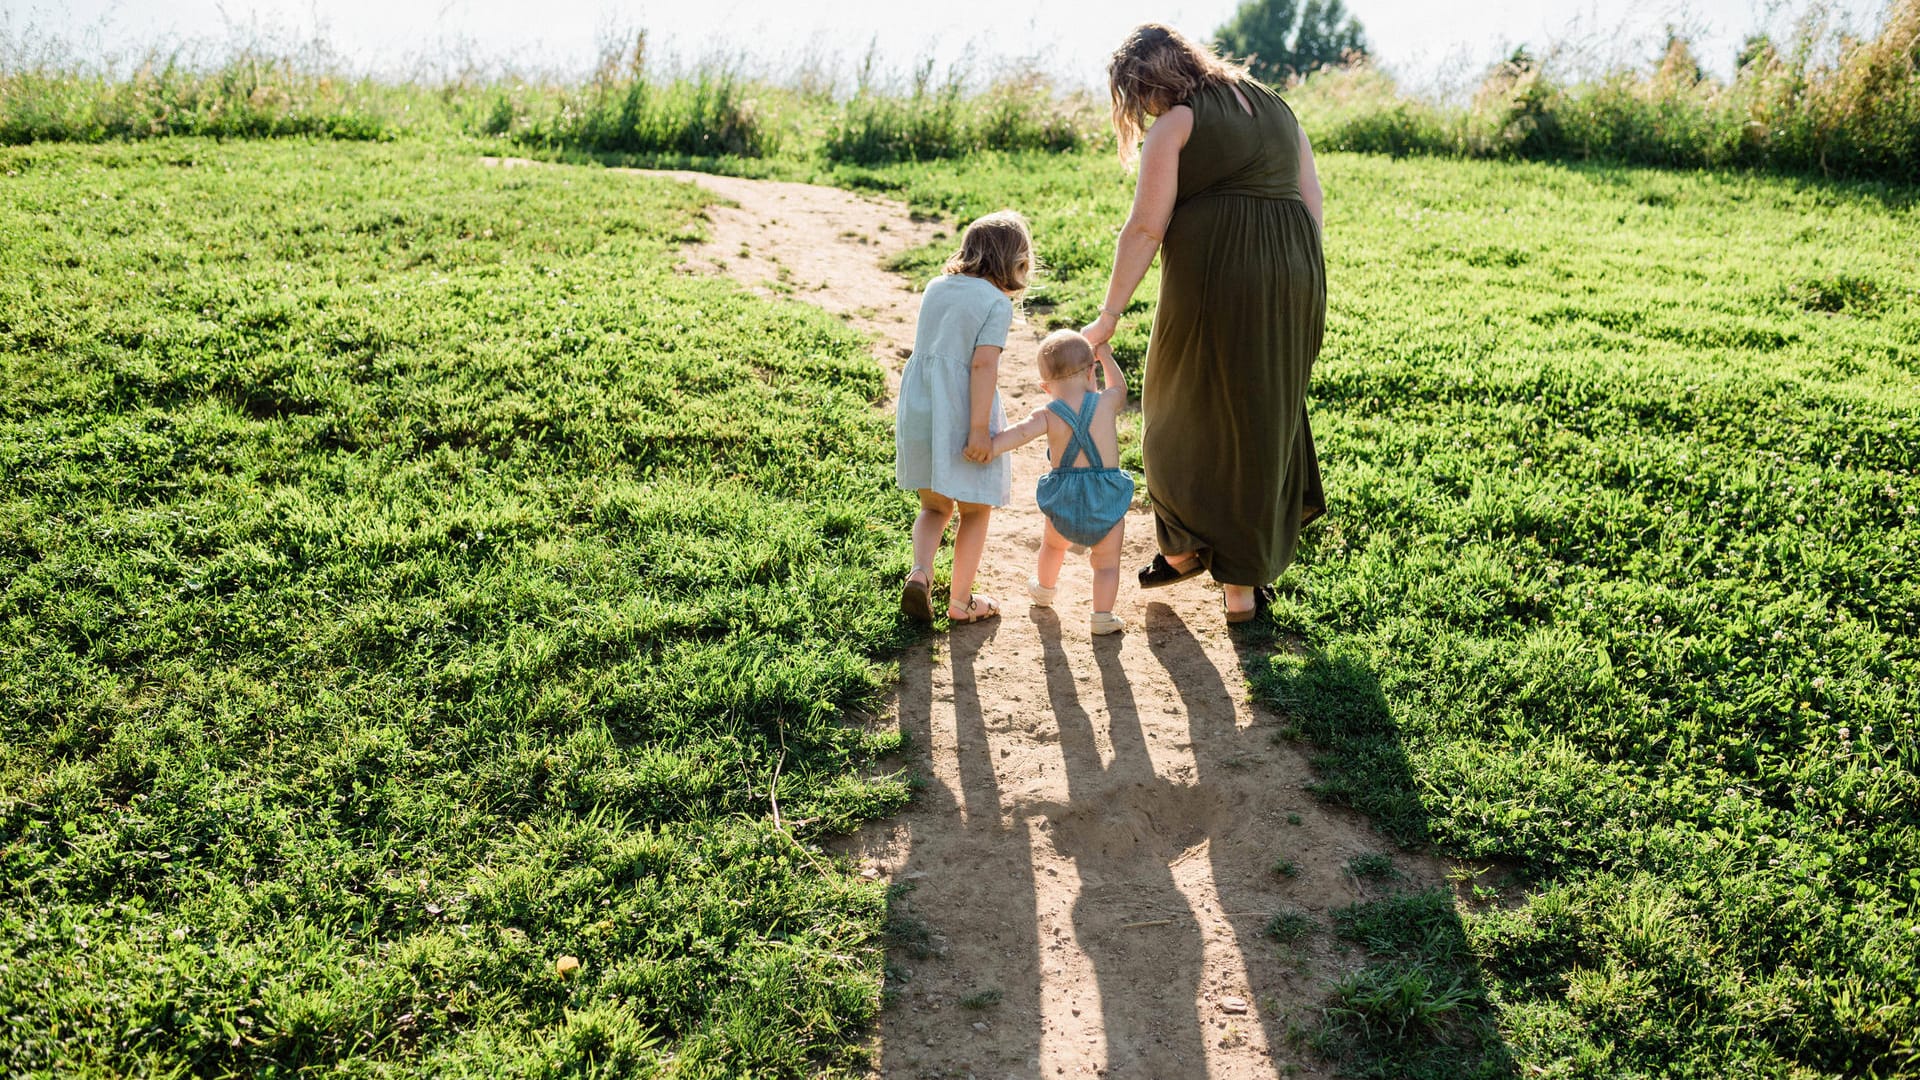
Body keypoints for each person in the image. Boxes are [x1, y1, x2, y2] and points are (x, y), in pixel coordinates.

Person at [1081, 23, 1327, 624]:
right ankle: (1239, 588)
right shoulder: (1278, 108)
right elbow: (1310, 202)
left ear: (1144, 84)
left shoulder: (1178, 122)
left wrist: (1108, 316)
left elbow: (1145, 227)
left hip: (1218, 280)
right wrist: (1293, 277)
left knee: (1172, 411)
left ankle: (1185, 547)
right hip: (1296, 274)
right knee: (1260, 419)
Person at [895, 210, 1034, 624]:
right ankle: (961, 602)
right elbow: (982, 367)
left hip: (921, 412)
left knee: (934, 507)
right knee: (975, 511)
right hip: (961, 416)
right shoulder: (995, 303)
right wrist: (979, 430)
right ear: (1014, 264)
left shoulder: (936, 286)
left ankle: (920, 572)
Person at [991, 330, 1134, 636]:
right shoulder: (1106, 402)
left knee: (1053, 546)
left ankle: (1044, 589)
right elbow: (1120, 388)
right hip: (1106, 498)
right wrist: (1106, 356)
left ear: (1045, 387)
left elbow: (1018, 434)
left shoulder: (1047, 413)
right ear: (1091, 372)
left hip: (1065, 496)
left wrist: (989, 446)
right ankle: (1102, 615)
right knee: (1106, 563)